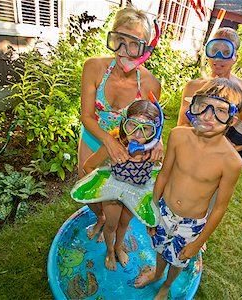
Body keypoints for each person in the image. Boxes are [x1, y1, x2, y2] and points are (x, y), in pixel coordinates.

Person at [134, 78, 242, 299]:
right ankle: (156, 273)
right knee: (160, 248)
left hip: (191, 224)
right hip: (164, 211)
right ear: (194, 105)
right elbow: (163, 174)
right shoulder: (178, 135)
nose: (208, 116)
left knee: (179, 259)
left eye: (220, 110)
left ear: (232, 119)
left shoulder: (231, 161)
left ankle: (166, 285)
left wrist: (199, 242)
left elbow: (220, 208)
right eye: (203, 106)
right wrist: (152, 213)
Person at [78, 6, 162, 241]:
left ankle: (115, 228)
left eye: (133, 43)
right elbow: (86, 116)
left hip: (125, 146)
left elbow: (150, 121)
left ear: (146, 48)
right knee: (87, 188)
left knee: (122, 193)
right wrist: (107, 140)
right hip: (94, 136)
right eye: (119, 40)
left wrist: (158, 141)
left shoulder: (150, 84)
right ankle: (100, 218)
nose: (123, 50)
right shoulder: (93, 67)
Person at [71, 100, 162, 270]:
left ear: (155, 133)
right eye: (131, 126)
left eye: (146, 129)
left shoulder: (153, 152)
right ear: (123, 124)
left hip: (135, 193)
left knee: (124, 224)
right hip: (113, 193)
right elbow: (88, 166)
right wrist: (99, 191)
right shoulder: (115, 146)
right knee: (111, 225)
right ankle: (110, 252)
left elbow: (162, 174)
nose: (136, 134)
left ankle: (118, 247)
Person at [177, 27, 242, 127]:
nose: (218, 58)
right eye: (214, 50)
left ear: (235, 58)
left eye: (226, 53)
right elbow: (182, 124)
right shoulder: (193, 86)